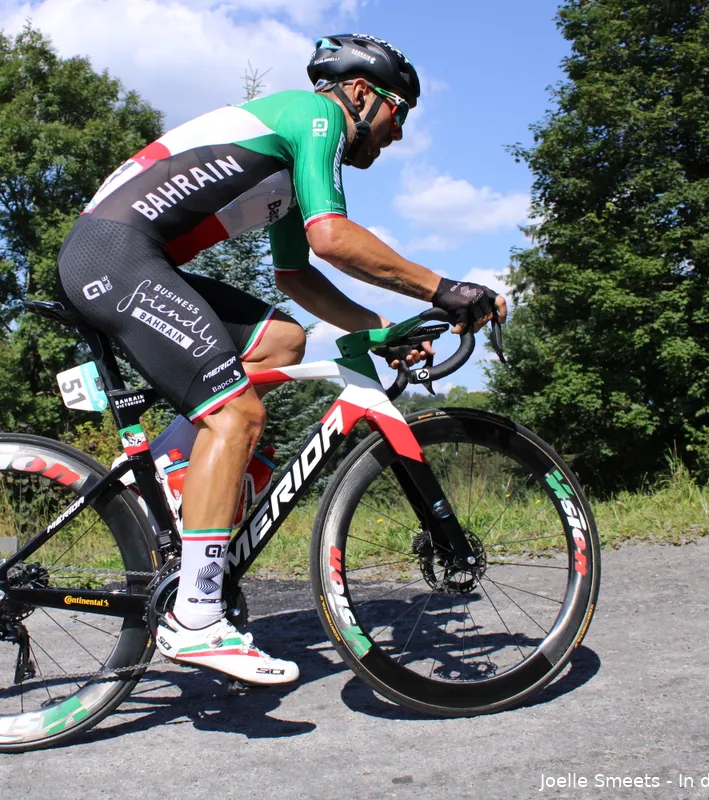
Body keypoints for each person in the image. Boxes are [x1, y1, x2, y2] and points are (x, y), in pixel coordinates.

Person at [55, 34, 507, 684]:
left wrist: (384, 327)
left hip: (128, 255)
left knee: (282, 342)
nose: (399, 133)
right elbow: (334, 239)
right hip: (114, 255)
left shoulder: (293, 157)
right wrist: (442, 289)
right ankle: (198, 617)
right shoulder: (315, 116)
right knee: (234, 416)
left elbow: (296, 274)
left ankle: (168, 474)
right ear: (360, 92)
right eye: (398, 112)